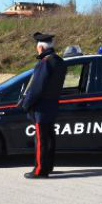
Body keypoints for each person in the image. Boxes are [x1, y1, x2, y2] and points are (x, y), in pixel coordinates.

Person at [19, 32, 66, 179]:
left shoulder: (45, 63)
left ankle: (40, 170)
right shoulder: (59, 61)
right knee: (49, 139)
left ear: (40, 48)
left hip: (41, 108)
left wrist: (26, 104)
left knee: (41, 141)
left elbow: (37, 88)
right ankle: (48, 166)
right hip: (52, 106)